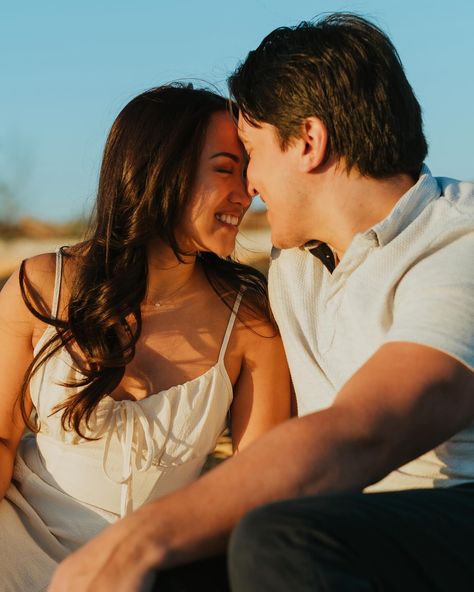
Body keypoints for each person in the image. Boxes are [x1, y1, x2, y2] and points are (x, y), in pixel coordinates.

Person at [48, 13, 474, 592]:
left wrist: (142, 534)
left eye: (249, 151)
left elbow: (370, 427)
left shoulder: (459, 238)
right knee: (177, 573)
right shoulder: (295, 267)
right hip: (348, 523)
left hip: (452, 513)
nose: (248, 185)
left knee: (273, 538)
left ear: (307, 141)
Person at [0, 84, 291, 591]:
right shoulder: (42, 285)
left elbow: (256, 489)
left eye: (246, 171)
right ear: (160, 172)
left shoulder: (250, 325)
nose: (247, 193)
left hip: (155, 573)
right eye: (226, 169)